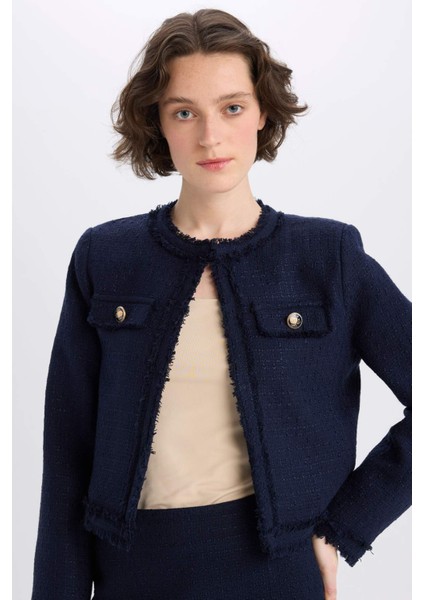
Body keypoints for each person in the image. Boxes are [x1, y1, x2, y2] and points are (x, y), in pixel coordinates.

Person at [30, 8, 412, 600]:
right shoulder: (105, 258)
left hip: (279, 574)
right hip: (133, 576)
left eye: (232, 107)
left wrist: (346, 526)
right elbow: (66, 456)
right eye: (184, 112)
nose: (210, 136)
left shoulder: (327, 257)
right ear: (158, 122)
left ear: (263, 112)